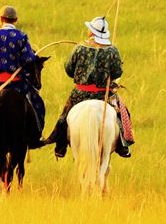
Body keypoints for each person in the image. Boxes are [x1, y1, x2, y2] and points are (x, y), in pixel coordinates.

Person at [42, 16, 134, 158]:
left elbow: (69, 69)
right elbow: (117, 72)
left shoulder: (79, 48)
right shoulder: (112, 50)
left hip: (80, 93)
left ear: (91, 32)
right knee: (123, 113)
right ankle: (123, 146)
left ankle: (60, 146)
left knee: (64, 117)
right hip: (104, 95)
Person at [0, 5, 45, 148]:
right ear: (15, 20)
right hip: (16, 83)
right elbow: (28, 60)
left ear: (0, 19)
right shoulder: (21, 36)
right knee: (37, 103)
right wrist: (33, 57)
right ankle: (36, 136)